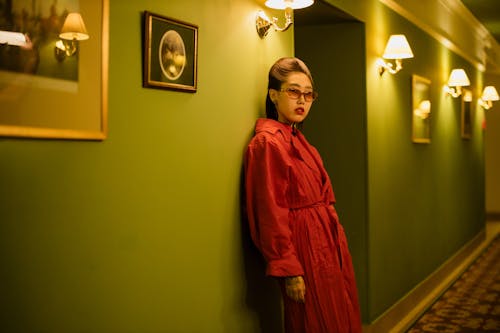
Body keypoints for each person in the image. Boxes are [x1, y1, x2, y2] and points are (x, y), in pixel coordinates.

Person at [244, 57, 362, 333]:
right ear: (274, 95)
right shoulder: (268, 143)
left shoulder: (298, 139)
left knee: (338, 314)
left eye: (308, 94)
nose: (303, 100)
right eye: (293, 91)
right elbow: (269, 210)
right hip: (303, 246)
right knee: (311, 322)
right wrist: (289, 269)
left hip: (327, 243)